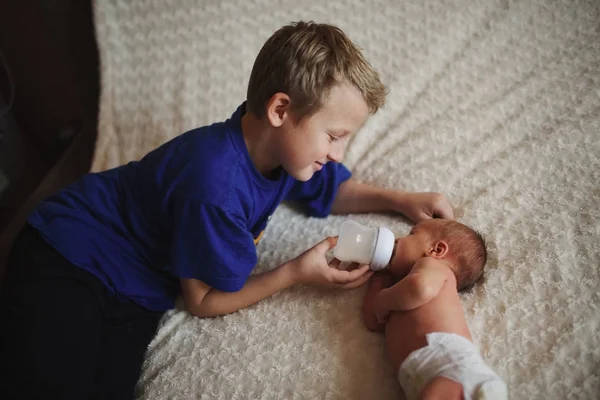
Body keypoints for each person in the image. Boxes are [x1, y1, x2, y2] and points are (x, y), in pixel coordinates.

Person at [0, 21, 453, 399]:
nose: (337, 153)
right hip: (70, 252)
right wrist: (294, 272)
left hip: (137, 287)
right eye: (334, 136)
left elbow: (331, 191)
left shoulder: (272, 146)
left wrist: (401, 200)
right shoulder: (214, 186)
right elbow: (203, 300)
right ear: (281, 109)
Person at [362, 219, 507, 400]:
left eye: (411, 234)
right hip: (422, 375)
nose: (399, 239)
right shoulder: (399, 291)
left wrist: (383, 299)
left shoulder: (432, 266)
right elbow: (373, 321)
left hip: (446, 360)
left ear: (436, 250)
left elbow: (420, 288)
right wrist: (376, 285)